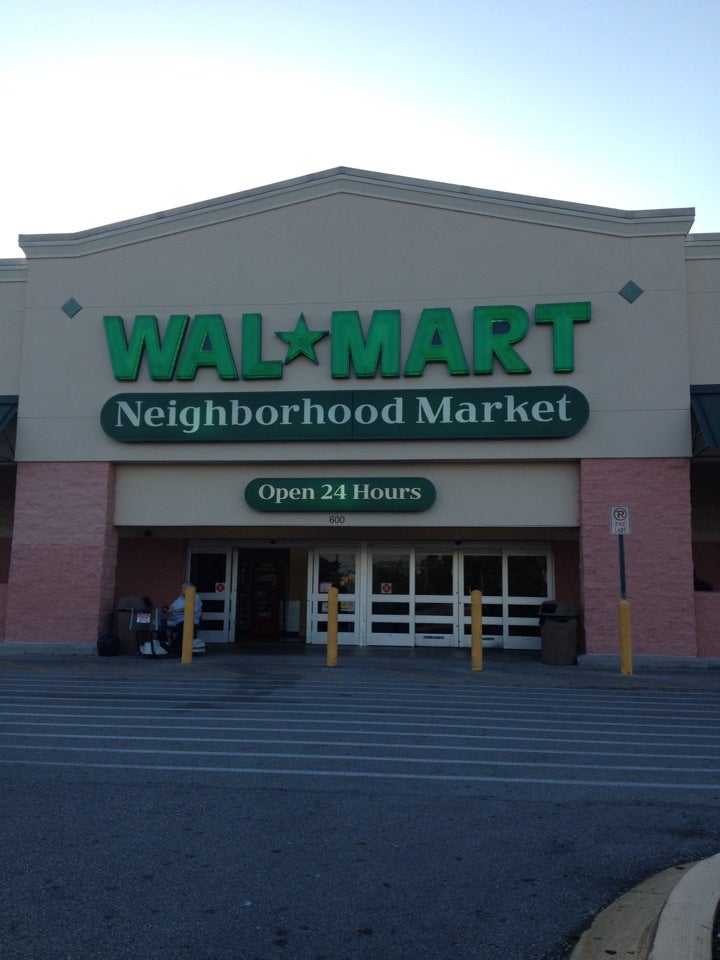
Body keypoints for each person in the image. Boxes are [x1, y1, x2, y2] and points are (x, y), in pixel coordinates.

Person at [163, 582, 202, 654]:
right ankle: (162, 645)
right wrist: (167, 609)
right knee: (161, 624)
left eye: (184, 588)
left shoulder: (195, 597)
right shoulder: (180, 598)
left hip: (189, 621)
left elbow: (188, 608)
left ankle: (172, 648)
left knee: (183, 629)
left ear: (190, 589)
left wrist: (175, 610)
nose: (181, 589)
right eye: (182, 588)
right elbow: (172, 607)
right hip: (175, 621)